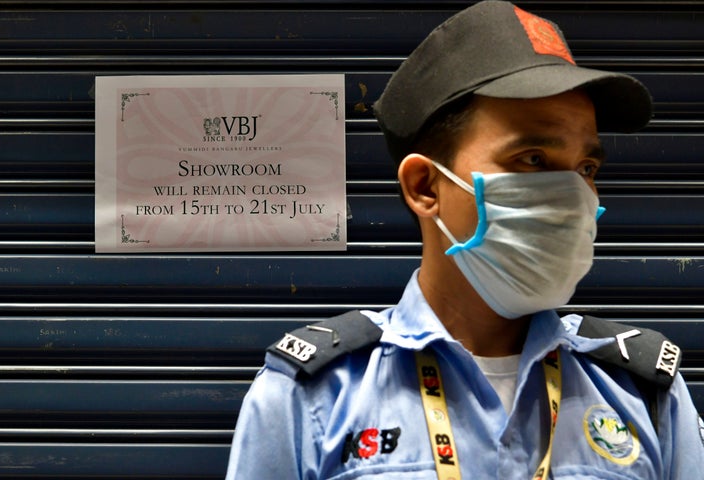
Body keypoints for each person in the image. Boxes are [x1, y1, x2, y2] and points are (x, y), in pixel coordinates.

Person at [225, 1, 704, 478]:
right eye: (533, 159)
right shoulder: (311, 398)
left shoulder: (645, 394)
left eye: (587, 168)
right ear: (425, 187)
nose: (574, 196)